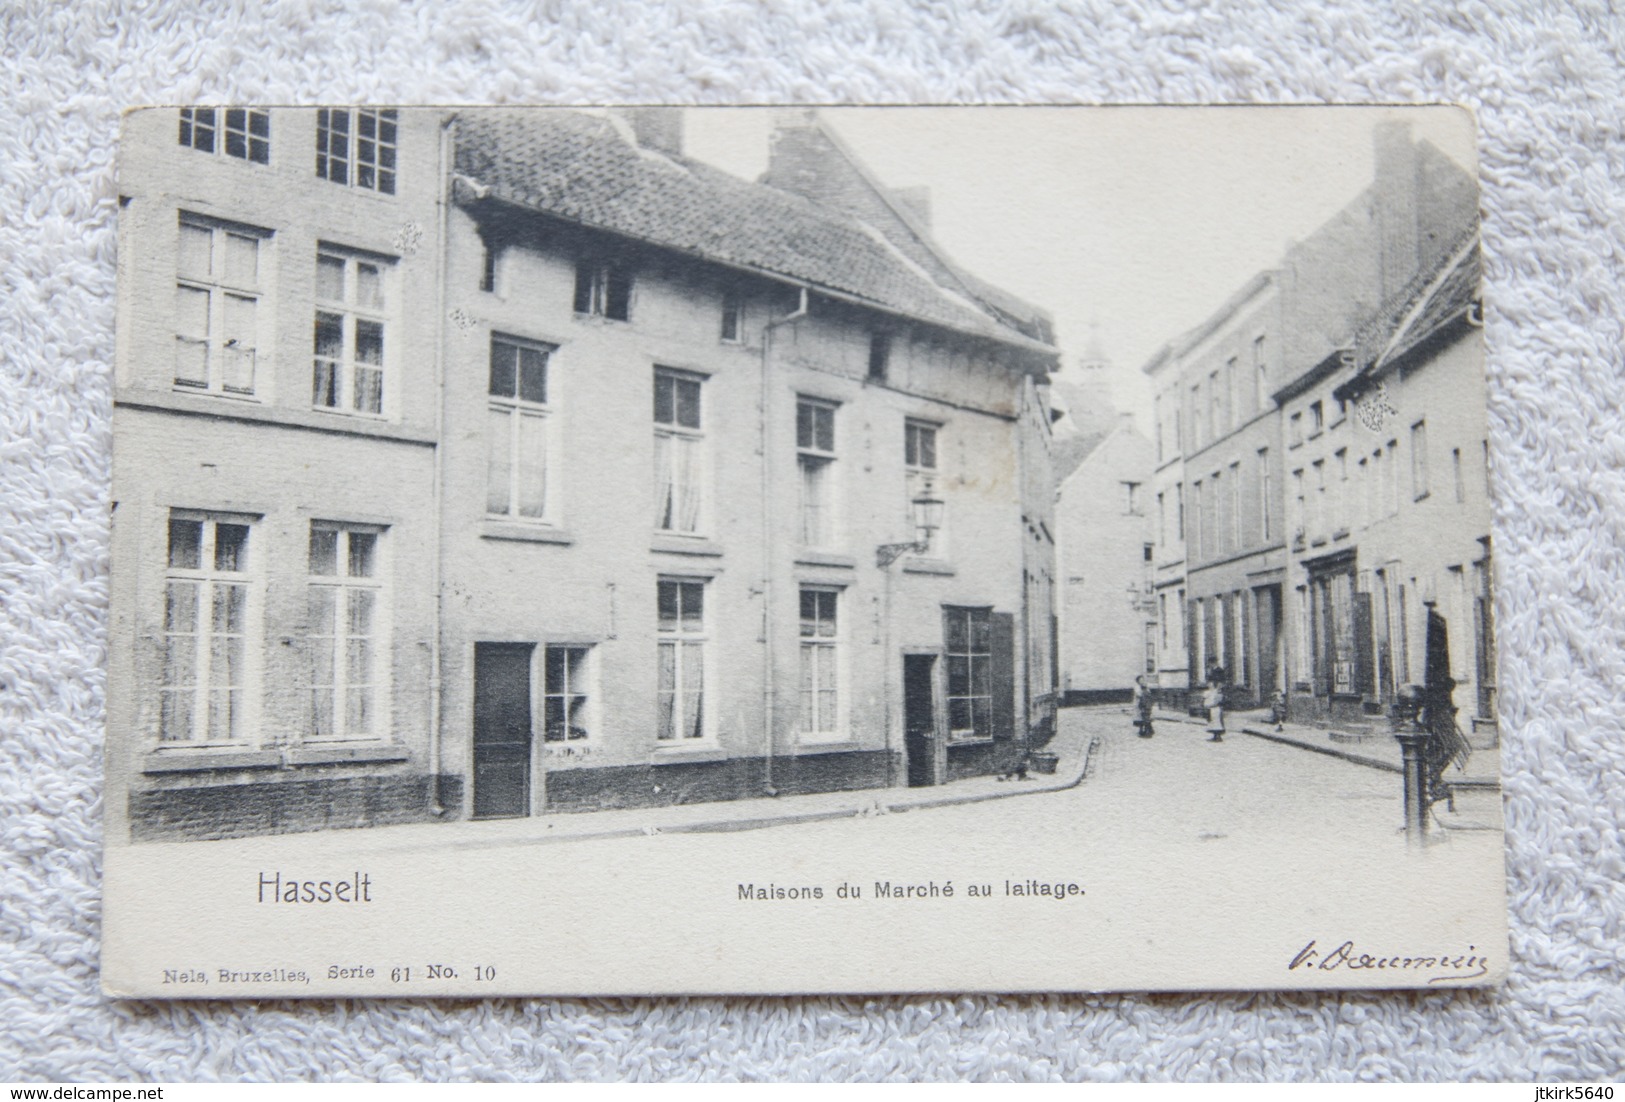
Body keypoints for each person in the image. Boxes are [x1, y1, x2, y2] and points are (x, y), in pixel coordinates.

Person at [1204, 668, 1226, 742]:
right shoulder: (1210, 692)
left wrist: (1211, 705)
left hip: (1215, 708)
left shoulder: (1217, 692)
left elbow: (1217, 700)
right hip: (1211, 708)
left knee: (1217, 722)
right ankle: (1215, 736)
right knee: (1213, 722)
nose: (1209, 685)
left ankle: (1218, 736)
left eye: (1211, 684)